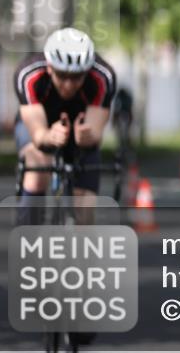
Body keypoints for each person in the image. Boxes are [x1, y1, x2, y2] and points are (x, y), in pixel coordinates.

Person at [14, 27, 117, 221]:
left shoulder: (103, 77)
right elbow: (38, 134)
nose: (69, 84)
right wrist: (48, 135)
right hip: (40, 122)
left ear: (87, 71)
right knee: (38, 166)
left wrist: (86, 136)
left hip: (80, 123)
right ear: (50, 67)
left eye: (77, 77)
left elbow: (95, 133)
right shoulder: (28, 74)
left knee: (84, 205)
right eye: (62, 75)